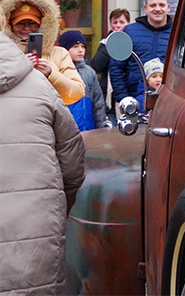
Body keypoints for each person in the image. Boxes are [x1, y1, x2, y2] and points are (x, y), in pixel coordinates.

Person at [0, 33, 85, 295]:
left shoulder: (51, 65)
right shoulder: (38, 84)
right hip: (36, 232)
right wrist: (57, 206)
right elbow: (72, 155)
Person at [0, 0, 85, 105]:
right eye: (20, 23)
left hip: (46, 117)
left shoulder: (59, 54)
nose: (27, 28)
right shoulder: (4, 53)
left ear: (43, 25)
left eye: (33, 23)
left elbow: (77, 93)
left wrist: (51, 74)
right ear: (9, 26)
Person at [110, 0, 172, 110]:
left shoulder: (177, 33)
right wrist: (124, 98)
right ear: (145, 8)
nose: (157, 9)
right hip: (133, 99)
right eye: (153, 5)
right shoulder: (129, 31)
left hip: (168, 100)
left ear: (168, 8)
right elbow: (116, 67)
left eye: (162, 5)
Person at [59, 30, 108, 131]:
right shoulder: (59, 71)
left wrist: (101, 128)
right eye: (75, 47)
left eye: (83, 46)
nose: (80, 50)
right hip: (66, 131)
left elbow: (98, 103)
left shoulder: (89, 72)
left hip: (88, 128)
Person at [90, 8, 131, 110]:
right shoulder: (105, 42)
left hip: (128, 90)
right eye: (115, 22)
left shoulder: (132, 42)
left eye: (122, 22)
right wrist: (109, 45)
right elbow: (96, 66)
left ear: (129, 24)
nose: (118, 25)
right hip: (109, 93)